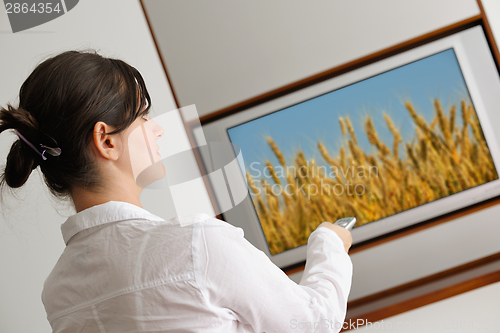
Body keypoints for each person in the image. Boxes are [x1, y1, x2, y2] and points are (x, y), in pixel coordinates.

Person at [0, 50, 353, 333]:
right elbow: (313, 323)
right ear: (106, 140)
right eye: (143, 117)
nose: (157, 131)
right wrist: (330, 242)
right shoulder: (196, 246)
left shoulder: (58, 292)